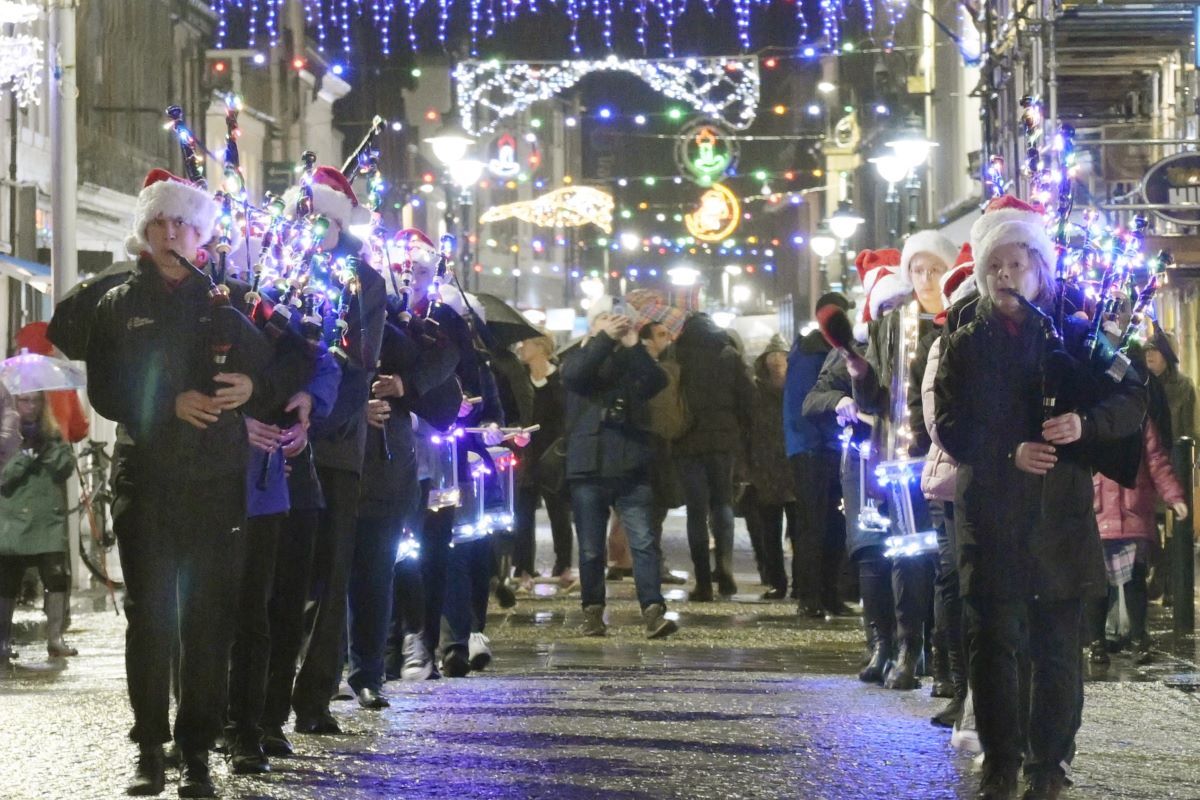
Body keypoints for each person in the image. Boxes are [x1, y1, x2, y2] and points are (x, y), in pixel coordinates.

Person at [934, 196, 1147, 800]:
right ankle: (1002, 757)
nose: (1006, 277)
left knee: (1057, 648)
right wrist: (1007, 451)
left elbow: (1129, 399)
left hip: (1059, 517)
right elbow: (948, 420)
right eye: (994, 267)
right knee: (994, 642)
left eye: (1016, 265)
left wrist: (1084, 425)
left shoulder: (1077, 333)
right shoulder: (965, 337)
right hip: (992, 516)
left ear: (1041, 268)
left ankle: (1048, 762)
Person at [84, 168, 268, 798]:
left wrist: (254, 389)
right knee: (151, 617)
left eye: (183, 224)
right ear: (145, 230)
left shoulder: (226, 301)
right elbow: (105, 393)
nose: (171, 233)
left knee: (210, 620)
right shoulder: (117, 304)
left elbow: (271, 364)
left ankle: (197, 751)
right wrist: (167, 404)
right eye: (160, 221)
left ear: (202, 237)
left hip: (216, 480)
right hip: (147, 477)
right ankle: (150, 748)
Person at [289, 166, 386, 736]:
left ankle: (316, 694)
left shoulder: (365, 281)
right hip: (284, 441)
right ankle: (267, 692)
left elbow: (360, 362)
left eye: (326, 218)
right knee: (283, 575)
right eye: (310, 217)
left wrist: (320, 422)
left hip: (337, 446)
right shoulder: (284, 268)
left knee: (331, 575)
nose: (316, 227)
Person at [849, 231, 956, 692]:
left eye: (935, 269)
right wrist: (858, 378)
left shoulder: (961, 319)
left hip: (951, 457)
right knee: (908, 556)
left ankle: (947, 654)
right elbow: (875, 398)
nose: (927, 278)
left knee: (948, 561)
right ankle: (909, 646)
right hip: (903, 457)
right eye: (918, 269)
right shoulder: (893, 325)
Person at [562, 308, 677, 639]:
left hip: (631, 464)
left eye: (618, 325)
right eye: (605, 325)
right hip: (588, 466)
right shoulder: (579, 357)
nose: (613, 330)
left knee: (643, 541)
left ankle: (653, 610)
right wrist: (602, 339)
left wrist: (632, 346)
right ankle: (593, 613)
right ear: (592, 331)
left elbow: (657, 380)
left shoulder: (631, 360)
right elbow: (575, 376)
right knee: (590, 548)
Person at [1088, 391, 1187, 665]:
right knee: (1098, 583)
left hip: (1131, 512)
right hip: (1099, 513)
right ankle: (1096, 641)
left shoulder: (1140, 421)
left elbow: (1157, 462)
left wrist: (1174, 496)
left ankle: (1138, 637)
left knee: (1135, 578)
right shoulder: (1090, 417)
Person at [673, 313, 754, 600]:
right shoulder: (728, 353)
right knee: (722, 504)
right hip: (723, 443)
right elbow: (748, 397)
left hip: (687, 441)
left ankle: (703, 582)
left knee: (696, 511)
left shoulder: (677, 354)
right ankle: (726, 569)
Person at [785, 292, 852, 612]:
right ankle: (811, 595)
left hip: (825, 447)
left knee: (833, 523)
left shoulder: (819, 350)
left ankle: (828, 592)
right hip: (814, 449)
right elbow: (804, 406)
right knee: (814, 523)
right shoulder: (813, 352)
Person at [0, 392, 76, 660]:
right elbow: (4, 478)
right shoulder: (6, 434)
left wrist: (47, 449)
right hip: (13, 522)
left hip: (47, 522)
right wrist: (25, 455)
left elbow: (66, 466)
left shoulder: (52, 433)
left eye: (35, 401)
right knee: (7, 582)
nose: (30, 407)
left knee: (56, 578)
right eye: (24, 400)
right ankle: (2, 642)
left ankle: (55, 638)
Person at [512, 331, 574, 588]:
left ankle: (564, 566)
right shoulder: (519, 378)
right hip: (526, 454)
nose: (521, 346)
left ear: (540, 346)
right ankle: (524, 567)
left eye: (525, 342)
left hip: (553, 455)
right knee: (523, 513)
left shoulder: (560, 378)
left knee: (559, 511)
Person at [745, 335, 799, 600]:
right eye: (773, 359)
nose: (778, 364)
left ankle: (801, 581)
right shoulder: (755, 394)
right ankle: (776, 580)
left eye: (783, 359)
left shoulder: (797, 391)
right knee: (770, 531)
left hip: (793, 467)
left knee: (800, 531)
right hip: (765, 469)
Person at [1144, 330, 1196, 444]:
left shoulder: (1184, 385)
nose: (1149, 353)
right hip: (1145, 457)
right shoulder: (1142, 383)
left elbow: (1191, 431)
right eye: (1147, 349)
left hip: (1173, 456)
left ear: (1168, 354)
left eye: (1155, 349)